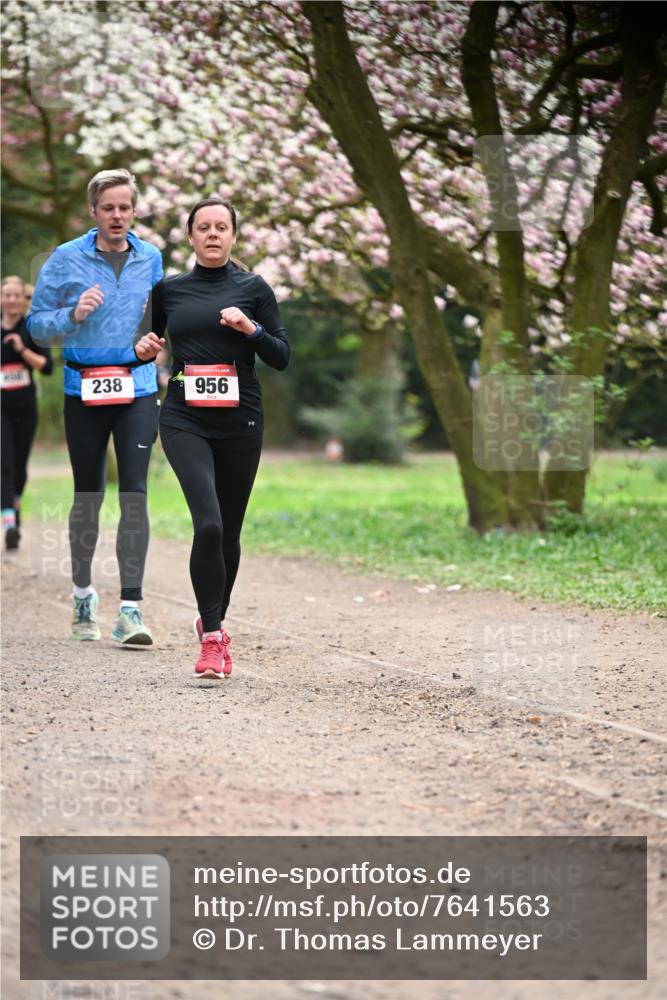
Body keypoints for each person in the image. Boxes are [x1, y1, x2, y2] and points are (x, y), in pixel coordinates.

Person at [134, 197, 289, 680]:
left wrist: (252, 328)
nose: (213, 234)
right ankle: (213, 638)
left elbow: (281, 355)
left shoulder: (254, 288)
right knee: (209, 525)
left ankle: (212, 613)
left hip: (241, 419)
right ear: (192, 235)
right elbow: (146, 346)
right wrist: (143, 349)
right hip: (184, 417)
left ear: (234, 236)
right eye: (205, 227)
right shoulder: (169, 291)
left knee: (230, 531)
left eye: (222, 227)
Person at [27, 168, 163, 644]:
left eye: (125, 207)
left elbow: (158, 320)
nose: (117, 215)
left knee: (134, 493)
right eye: (108, 208)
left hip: (138, 388)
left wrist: (155, 345)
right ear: (93, 211)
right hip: (83, 389)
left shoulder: (152, 258)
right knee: (88, 495)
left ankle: (131, 609)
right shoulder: (65, 259)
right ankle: (84, 595)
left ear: (134, 210)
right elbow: (36, 326)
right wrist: (72, 314)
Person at [1, 275, 54, 549]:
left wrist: (23, 350)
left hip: (25, 406)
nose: (11, 300)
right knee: (5, 464)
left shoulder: (33, 329)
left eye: (15, 295)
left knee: (20, 467)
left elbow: (47, 366)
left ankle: (15, 515)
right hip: (1, 408)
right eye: (6, 295)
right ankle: (9, 521)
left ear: (23, 300)